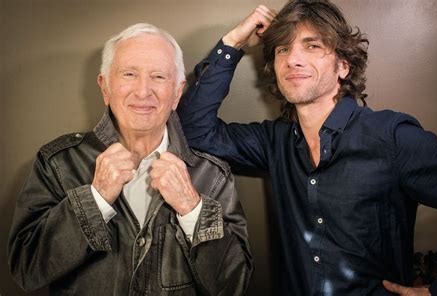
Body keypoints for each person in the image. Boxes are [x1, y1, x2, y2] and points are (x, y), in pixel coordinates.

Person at [177, 1, 437, 295]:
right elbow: (194, 129)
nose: (293, 59)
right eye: (283, 49)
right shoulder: (274, 142)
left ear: (343, 66)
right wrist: (234, 42)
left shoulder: (391, 137)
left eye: (312, 46)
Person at [8, 23, 253, 295]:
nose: (142, 91)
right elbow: (26, 269)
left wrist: (192, 208)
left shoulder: (214, 174)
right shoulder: (57, 163)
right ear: (105, 87)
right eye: (129, 74)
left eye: (158, 77)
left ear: (177, 92)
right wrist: (96, 199)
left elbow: (235, 285)